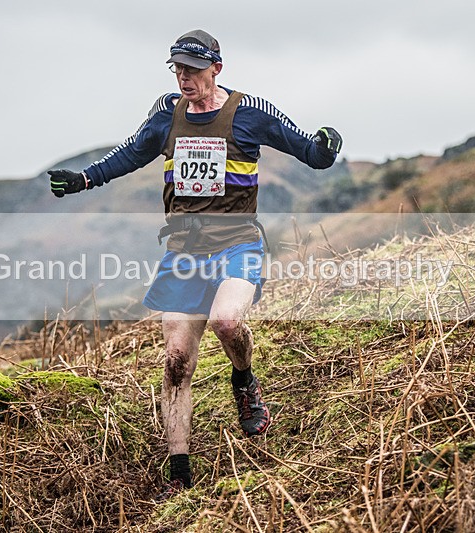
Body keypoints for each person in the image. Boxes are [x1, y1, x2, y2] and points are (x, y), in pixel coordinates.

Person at [48, 29, 342, 499]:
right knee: (176, 360)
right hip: (184, 254)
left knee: (228, 322)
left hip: (237, 245)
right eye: (178, 69)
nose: (184, 78)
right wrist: (83, 178)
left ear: (216, 70)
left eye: (193, 69)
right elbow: (131, 153)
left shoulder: (250, 112)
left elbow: (306, 148)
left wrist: (324, 149)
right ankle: (180, 475)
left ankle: (243, 379)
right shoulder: (166, 115)